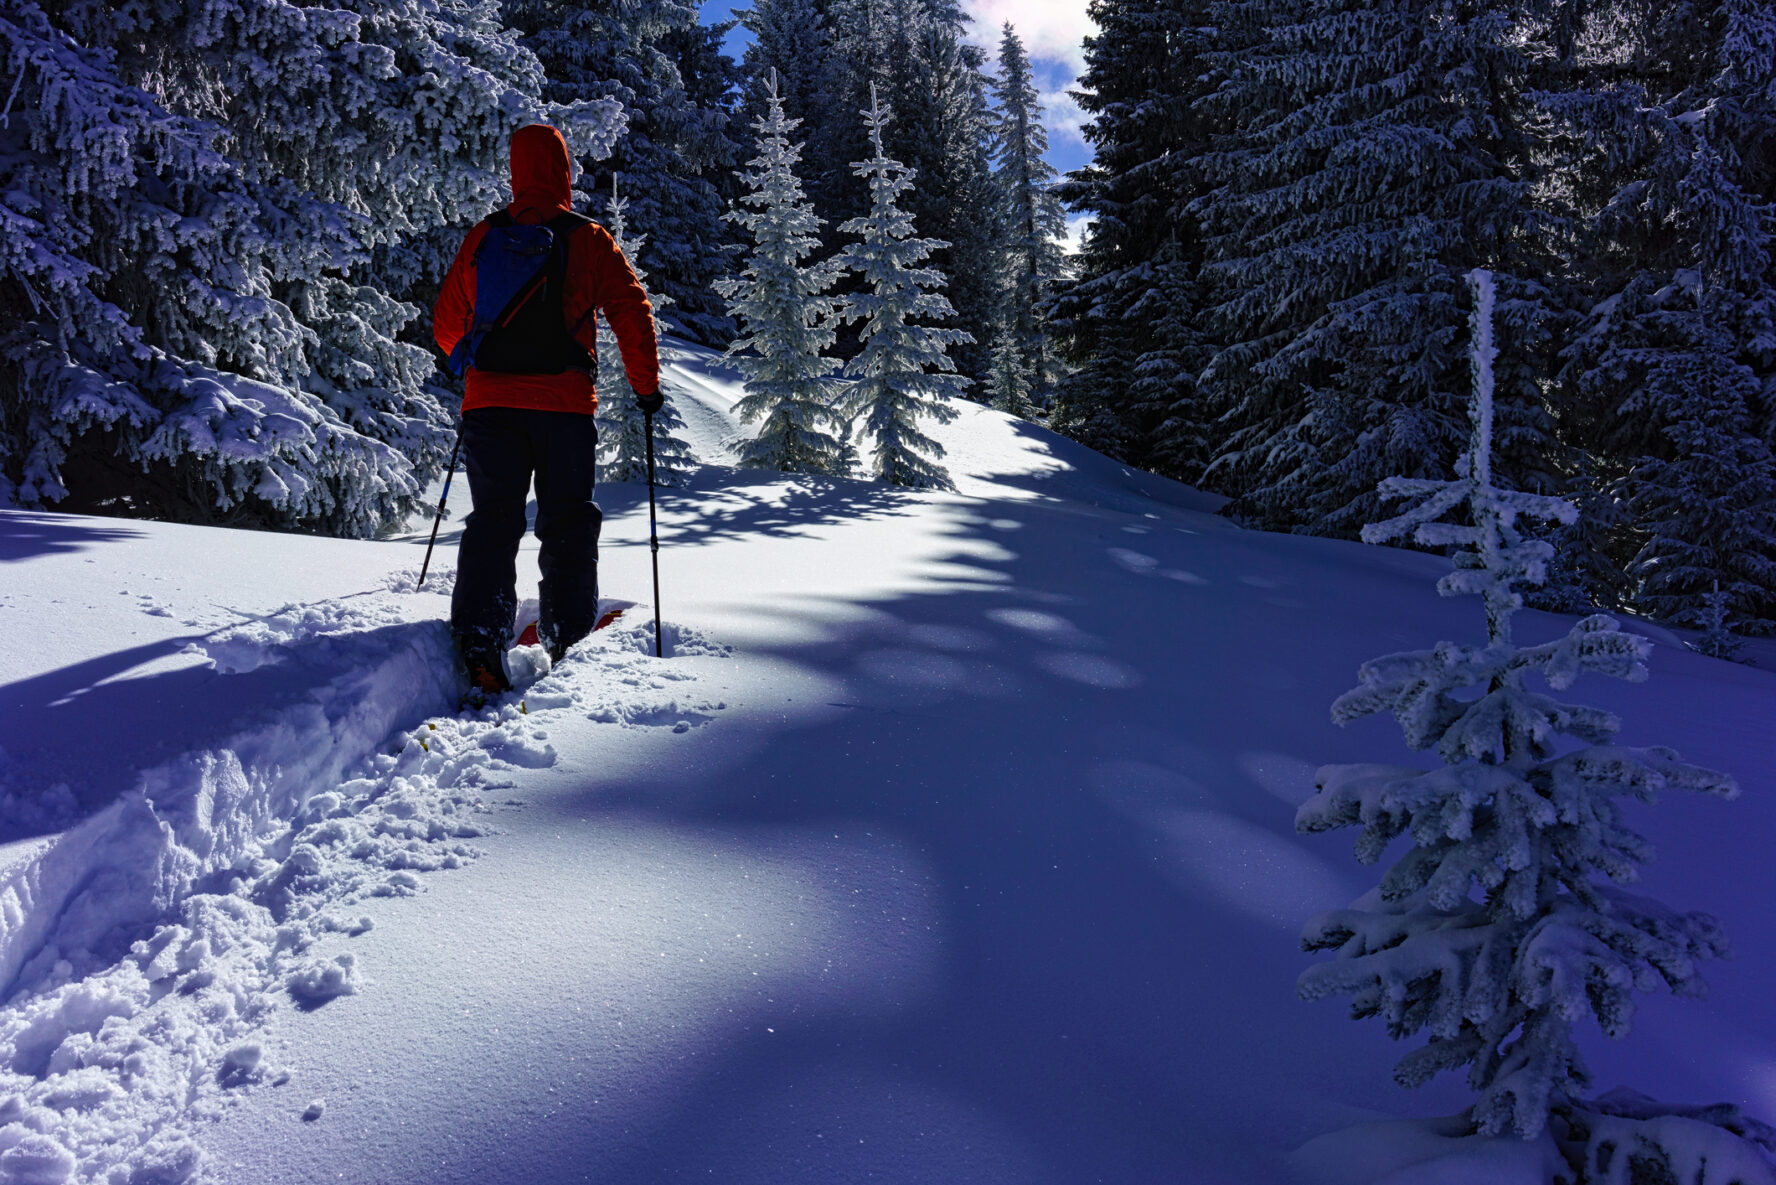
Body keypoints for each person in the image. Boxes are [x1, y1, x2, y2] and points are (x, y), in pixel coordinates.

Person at [433, 124, 663, 694]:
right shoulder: (587, 237)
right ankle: (567, 638)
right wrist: (646, 389)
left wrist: (475, 365)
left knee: (493, 521)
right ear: (564, 169)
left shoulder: (484, 237)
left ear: (516, 170)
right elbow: (632, 314)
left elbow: (444, 324)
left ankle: (481, 644)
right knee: (566, 520)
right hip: (563, 406)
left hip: (490, 406)